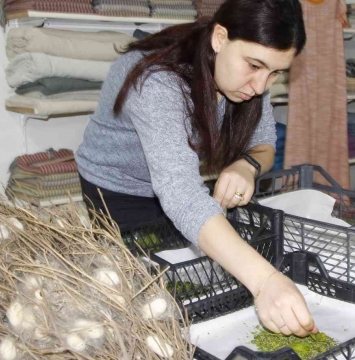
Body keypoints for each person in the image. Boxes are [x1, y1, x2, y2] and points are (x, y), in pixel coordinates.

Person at [75, 0, 317, 337]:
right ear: (220, 38)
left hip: (178, 188)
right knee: (145, 301)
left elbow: (264, 145)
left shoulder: (248, 78)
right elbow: (182, 195)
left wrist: (246, 166)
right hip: (118, 191)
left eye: (275, 73)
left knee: (196, 284)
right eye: (255, 66)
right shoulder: (157, 81)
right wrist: (266, 282)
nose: (261, 86)